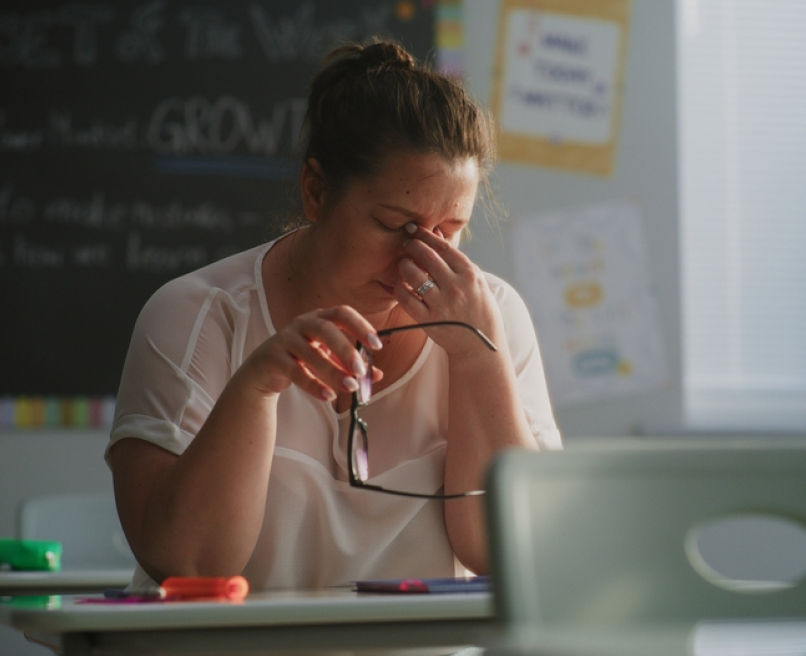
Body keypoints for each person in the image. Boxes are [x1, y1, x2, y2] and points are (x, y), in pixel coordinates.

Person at [107, 39, 561, 591]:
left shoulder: (493, 315)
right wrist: (256, 387)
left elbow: (511, 552)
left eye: (450, 230)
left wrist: (477, 357)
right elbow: (189, 564)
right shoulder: (197, 315)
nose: (421, 258)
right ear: (316, 191)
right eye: (395, 225)